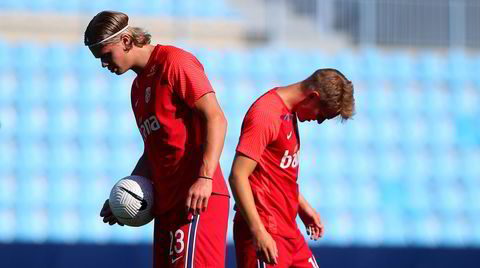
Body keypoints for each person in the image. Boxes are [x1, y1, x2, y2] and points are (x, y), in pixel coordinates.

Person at [84, 11, 230, 268]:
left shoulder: (174, 61)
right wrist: (126, 196)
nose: (104, 64)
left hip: (196, 200)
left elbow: (216, 118)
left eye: (106, 55)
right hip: (166, 205)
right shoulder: (137, 89)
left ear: (127, 41)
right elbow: (153, 152)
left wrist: (205, 177)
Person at [229, 68, 355, 267]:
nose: (319, 121)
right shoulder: (266, 113)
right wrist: (258, 231)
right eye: (321, 115)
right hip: (265, 230)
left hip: (289, 231)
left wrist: (302, 206)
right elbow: (237, 175)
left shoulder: (288, 113)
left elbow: (276, 173)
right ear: (313, 96)